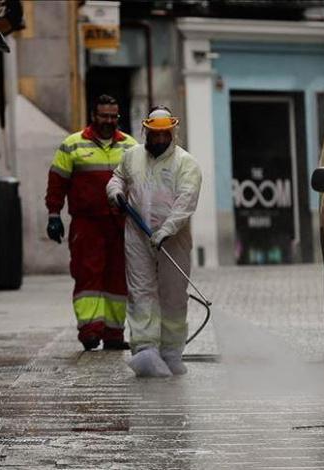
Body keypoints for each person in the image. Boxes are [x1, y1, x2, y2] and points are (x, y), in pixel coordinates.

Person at [107, 106, 202, 377]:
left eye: (164, 134)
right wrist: (114, 192)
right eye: (155, 134)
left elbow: (186, 202)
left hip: (174, 240)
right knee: (141, 293)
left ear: (172, 133)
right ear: (146, 132)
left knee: (173, 296)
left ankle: (171, 352)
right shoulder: (132, 157)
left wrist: (166, 230)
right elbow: (117, 178)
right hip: (137, 236)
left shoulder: (186, 164)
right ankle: (145, 350)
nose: (159, 139)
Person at [45, 95, 137, 351]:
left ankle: (114, 333)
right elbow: (57, 182)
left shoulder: (130, 146)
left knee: (118, 279)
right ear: (93, 116)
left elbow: (141, 184)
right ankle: (90, 330)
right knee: (88, 276)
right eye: (104, 116)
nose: (109, 121)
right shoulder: (72, 145)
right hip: (87, 225)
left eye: (113, 116)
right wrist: (54, 214)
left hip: (120, 225)